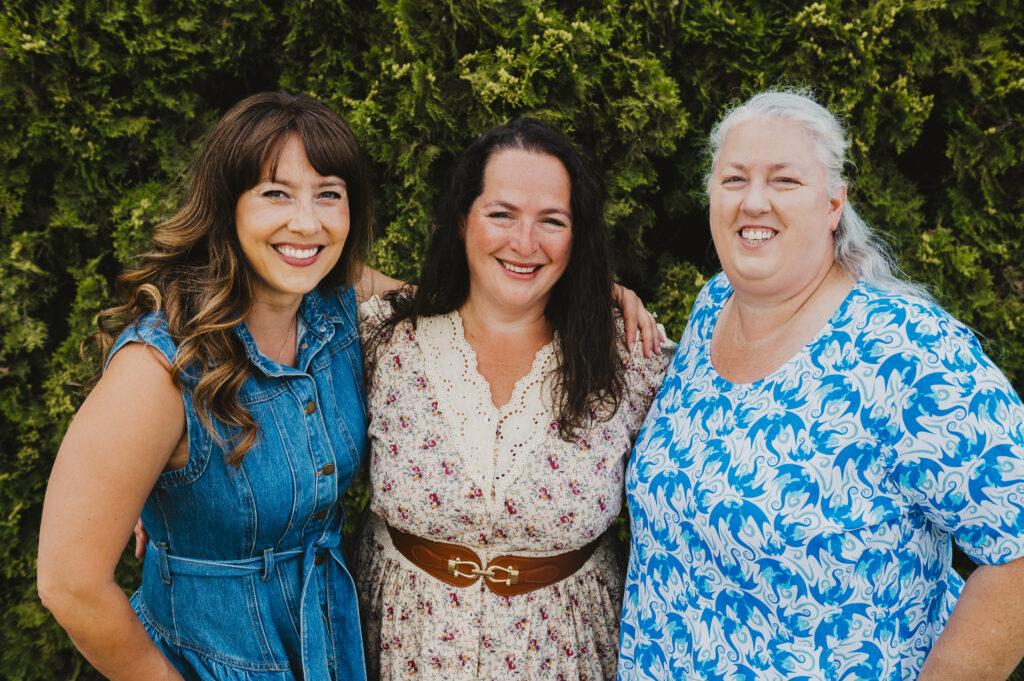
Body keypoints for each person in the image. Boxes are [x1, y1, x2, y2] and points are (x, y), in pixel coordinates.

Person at [617, 89, 1024, 681]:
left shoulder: (907, 353)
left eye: (784, 180)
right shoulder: (713, 308)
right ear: (710, 197)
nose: (754, 201)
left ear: (834, 203)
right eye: (734, 179)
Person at [38, 91, 374, 681]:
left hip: (327, 651)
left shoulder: (337, 308)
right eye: (276, 193)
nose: (308, 221)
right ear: (227, 207)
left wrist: (580, 289)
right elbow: (69, 585)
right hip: (202, 663)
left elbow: (464, 301)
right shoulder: (159, 369)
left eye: (329, 195)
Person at [354, 117, 671, 681]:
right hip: (405, 651)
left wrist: (601, 296)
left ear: (578, 238)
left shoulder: (631, 360)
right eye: (501, 214)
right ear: (461, 220)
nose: (525, 243)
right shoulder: (384, 339)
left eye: (552, 221)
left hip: (563, 654)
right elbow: (301, 265)